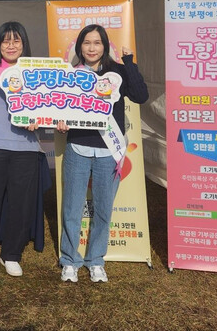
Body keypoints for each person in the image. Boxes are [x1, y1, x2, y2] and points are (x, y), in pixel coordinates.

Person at [56, 24, 148, 283]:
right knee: (72, 209)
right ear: (79, 46)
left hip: (109, 151)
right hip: (77, 148)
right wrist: (59, 121)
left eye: (97, 42)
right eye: (87, 42)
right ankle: (70, 260)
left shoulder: (117, 72)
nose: (92, 48)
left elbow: (141, 95)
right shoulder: (71, 75)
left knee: (104, 210)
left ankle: (96, 260)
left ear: (105, 46)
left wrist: (129, 62)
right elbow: (60, 108)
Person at [0, 21, 40, 278]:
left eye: (16, 40)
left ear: (24, 44)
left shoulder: (35, 71)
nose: (11, 46)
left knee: (21, 205)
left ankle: (11, 254)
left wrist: (40, 119)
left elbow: (47, 105)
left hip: (26, 147)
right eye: (6, 41)